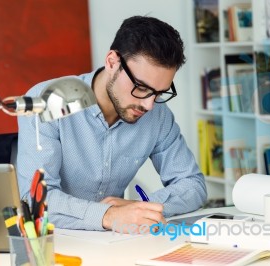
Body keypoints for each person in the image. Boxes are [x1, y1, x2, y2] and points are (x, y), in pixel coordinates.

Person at [17, 15, 207, 232]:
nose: (149, 105)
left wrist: (141, 209)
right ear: (112, 62)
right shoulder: (47, 100)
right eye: (141, 87)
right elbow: (36, 199)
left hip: (114, 243)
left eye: (159, 93)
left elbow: (193, 184)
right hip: (53, 243)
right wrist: (108, 215)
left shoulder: (158, 115)